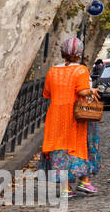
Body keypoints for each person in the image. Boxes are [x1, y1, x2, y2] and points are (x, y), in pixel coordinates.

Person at [41, 37, 97, 196]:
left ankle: (65, 188)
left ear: (62, 52)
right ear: (79, 53)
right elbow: (82, 91)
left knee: (60, 147)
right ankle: (85, 181)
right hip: (75, 114)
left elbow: (47, 93)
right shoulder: (81, 70)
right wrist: (93, 91)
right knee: (79, 145)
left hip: (55, 114)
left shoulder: (53, 70)